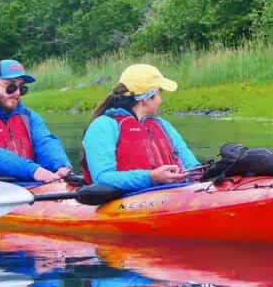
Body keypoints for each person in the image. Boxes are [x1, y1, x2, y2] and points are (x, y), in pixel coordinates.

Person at [81, 63, 200, 191]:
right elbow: (102, 178)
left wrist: (206, 172)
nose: (160, 100)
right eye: (159, 94)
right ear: (146, 99)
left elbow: (191, 165)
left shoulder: (163, 125)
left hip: (173, 193)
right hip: (127, 201)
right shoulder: (103, 126)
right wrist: (151, 177)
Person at [0, 59, 72, 182]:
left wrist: (61, 165)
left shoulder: (29, 116)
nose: (17, 93)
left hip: (29, 190)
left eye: (22, 88)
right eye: (11, 87)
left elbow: (45, 142)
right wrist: (33, 170)